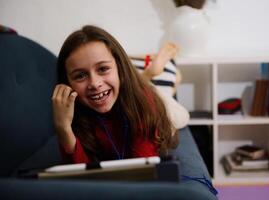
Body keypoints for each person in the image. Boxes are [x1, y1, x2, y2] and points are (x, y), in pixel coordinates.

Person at [52, 25, 180, 164]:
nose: (95, 84)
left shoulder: (143, 104)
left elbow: (142, 170)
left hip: (151, 97)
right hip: (122, 88)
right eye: (80, 76)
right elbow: (82, 173)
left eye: (103, 69)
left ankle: (153, 72)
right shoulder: (71, 114)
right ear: (67, 83)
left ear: (120, 68)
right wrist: (63, 128)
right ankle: (149, 73)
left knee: (179, 114)